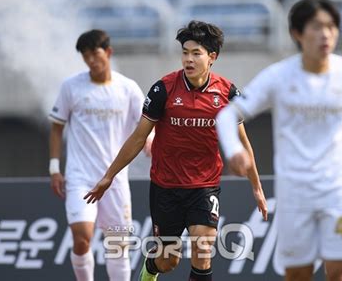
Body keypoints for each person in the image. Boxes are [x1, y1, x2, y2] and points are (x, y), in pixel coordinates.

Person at [216, 0, 342, 281]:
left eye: (332, 26)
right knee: (298, 274)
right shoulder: (279, 76)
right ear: (297, 33)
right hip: (294, 192)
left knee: (340, 272)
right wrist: (234, 149)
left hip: (340, 190)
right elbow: (226, 116)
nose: (326, 34)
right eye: (317, 26)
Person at [84, 20, 268, 281]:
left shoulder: (227, 93)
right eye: (185, 52)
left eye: (196, 53)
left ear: (212, 57)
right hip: (166, 187)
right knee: (168, 260)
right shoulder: (164, 89)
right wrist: (109, 175)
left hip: (204, 186)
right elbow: (139, 137)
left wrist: (256, 187)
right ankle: (150, 268)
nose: (188, 59)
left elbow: (242, 142)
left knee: (203, 251)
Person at [49, 29, 151, 281]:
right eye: (85, 56)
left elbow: (146, 124)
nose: (91, 60)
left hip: (114, 179)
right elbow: (56, 126)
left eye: (95, 53)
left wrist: (150, 141)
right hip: (80, 177)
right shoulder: (71, 87)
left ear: (108, 52)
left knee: (118, 245)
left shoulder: (128, 88)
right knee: (82, 238)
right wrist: (54, 168)